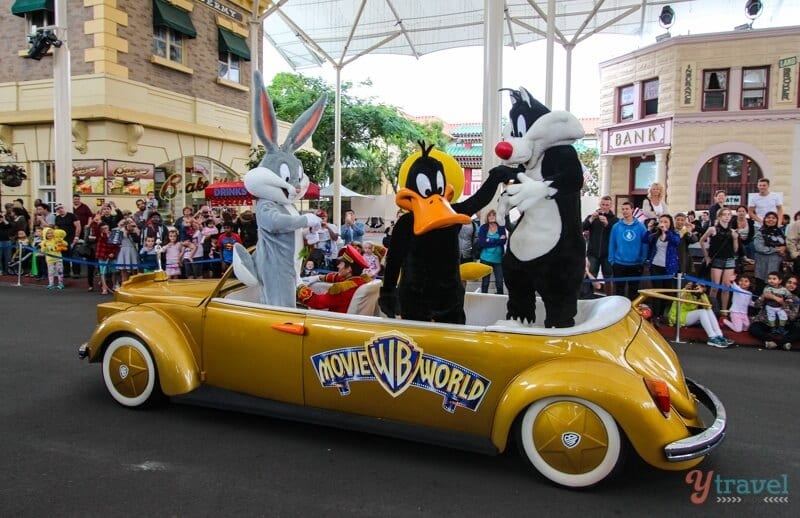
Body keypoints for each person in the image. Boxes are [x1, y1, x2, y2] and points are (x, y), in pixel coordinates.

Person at [296, 244, 371, 313]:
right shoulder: (359, 280)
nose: (338, 266)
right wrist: (318, 277)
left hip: (336, 322)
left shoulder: (342, 289)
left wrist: (300, 286)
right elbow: (337, 277)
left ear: (348, 269)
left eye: (341, 263)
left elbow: (317, 302)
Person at [667, 282, 733, 348]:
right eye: (699, 286)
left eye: (702, 286)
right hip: (677, 316)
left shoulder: (702, 294)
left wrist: (700, 294)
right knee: (702, 312)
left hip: (688, 316)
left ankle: (719, 335)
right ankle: (712, 337)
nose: (700, 288)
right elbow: (680, 302)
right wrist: (688, 291)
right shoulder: (685, 290)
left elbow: (708, 307)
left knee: (707, 310)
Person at [699, 207, 738, 312]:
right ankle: (711, 309)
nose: (727, 217)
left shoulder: (732, 231)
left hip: (729, 259)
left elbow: (735, 249)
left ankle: (724, 311)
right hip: (717, 260)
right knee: (715, 286)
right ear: (719, 216)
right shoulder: (713, 229)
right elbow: (702, 241)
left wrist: (735, 238)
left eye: (729, 215)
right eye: (724, 214)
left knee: (726, 287)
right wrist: (706, 256)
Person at [643, 214, 680, 322]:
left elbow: (676, 242)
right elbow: (645, 240)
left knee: (666, 292)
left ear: (670, 224)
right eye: (661, 221)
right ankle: (655, 315)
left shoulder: (674, 234)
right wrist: (649, 228)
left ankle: (662, 315)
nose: (663, 224)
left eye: (666, 222)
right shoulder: (655, 235)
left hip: (669, 268)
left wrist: (666, 232)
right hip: (655, 266)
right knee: (656, 291)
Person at [608, 201, 648, 300]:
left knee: (633, 291)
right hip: (619, 263)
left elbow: (645, 243)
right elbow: (612, 244)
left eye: (627, 209)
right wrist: (611, 260)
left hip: (636, 264)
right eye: (623, 209)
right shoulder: (616, 227)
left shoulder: (641, 227)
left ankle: (631, 312)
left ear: (632, 210)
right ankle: (619, 312)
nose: (625, 211)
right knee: (619, 291)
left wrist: (643, 259)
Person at [748, 275, 799, 350]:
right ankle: (774, 341)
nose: (791, 285)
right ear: (783, 283)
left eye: (794, 284)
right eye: (789, 282)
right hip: (766, 322)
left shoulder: (795, 299)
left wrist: (784, 305)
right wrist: (762, 297)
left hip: (783, 325)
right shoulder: (770, 291)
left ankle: (780, 342)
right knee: (754, 328)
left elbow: (792, 317)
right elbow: (757, 305)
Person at [583, 195, 618, 286]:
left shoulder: (615, 220)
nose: (604, 207)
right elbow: (582, 228)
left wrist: (607, 224)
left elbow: (616, 234)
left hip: (607, 254)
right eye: (603, 204)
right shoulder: (592, 216)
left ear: (610, 206)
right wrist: (591, 219)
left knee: (608, 277)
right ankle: (588, 296)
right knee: (590, 276)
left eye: (607, 205)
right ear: (599, 204)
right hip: (592, 253)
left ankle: (609, 297)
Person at [752, 211, 786, 295]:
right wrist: (776, 249)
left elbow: (784, 245)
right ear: (764, 219)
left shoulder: (780, 232)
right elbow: (759, 248)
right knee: (761, 289)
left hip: (777, 265)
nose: (771, 219)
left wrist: (783, 250)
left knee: (776, 290)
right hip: (763, 265)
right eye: (768, 217)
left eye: (773, 218)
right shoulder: (760, 232)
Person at [476, 209, 507, 295]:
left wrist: (490, 240)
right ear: (487, 217)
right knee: (485, 282)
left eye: (494, 215)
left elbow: (503, 241)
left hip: (498, 260)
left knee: (500, 283)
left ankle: (500, 299)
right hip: (485, 259)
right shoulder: (483, 228)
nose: (492, 216)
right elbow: (483, 243)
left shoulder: (501, 227)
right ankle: (483, 298)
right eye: (490, 215)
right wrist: (497, 240)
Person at [54, 203, 81, 278]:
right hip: (62, 240)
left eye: (61, 208)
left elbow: (78, 226)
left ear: (64, 208)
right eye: (58, 209)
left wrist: (76, 237)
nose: (60, 210)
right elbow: (56, 228)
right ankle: (66, 272)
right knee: (64, 256)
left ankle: (76, 273)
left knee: (74, 256)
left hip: (72, 238)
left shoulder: (72, 216)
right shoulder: (57, 218)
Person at [94, 222, 119, 295]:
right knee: (103, 272)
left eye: (106, 228)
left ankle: (114, 285)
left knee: (114, 271)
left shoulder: (113, 235)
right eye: (103, 228)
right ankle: (104, 287)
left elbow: (117, 246)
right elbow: (95, 231)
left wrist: (113, 253)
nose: (105, 230)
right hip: (102, 255)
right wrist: (95, 221)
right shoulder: (100, 235)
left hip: (112, 255)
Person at [116, 217, 141, 284]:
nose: (130, 223)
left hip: (132, 250)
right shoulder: (121, 230)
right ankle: (124, 285)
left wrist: (134, 230)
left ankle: (134, 286)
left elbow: (138, 240)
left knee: (134, 271)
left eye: (131, 222)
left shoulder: (135, 230)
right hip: (124, 250)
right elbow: (117, 240)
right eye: (128, 222)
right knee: (124, 271)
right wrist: (122, 227)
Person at [673, 212, 698, 278]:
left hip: (682, 260)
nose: (680, 222)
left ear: (685, 222)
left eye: (682, 220)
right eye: (678, 219)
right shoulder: (670, 231)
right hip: (670, 258)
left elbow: (694, 240)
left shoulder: (686, 231)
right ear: (674, 220)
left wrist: (689, 231)